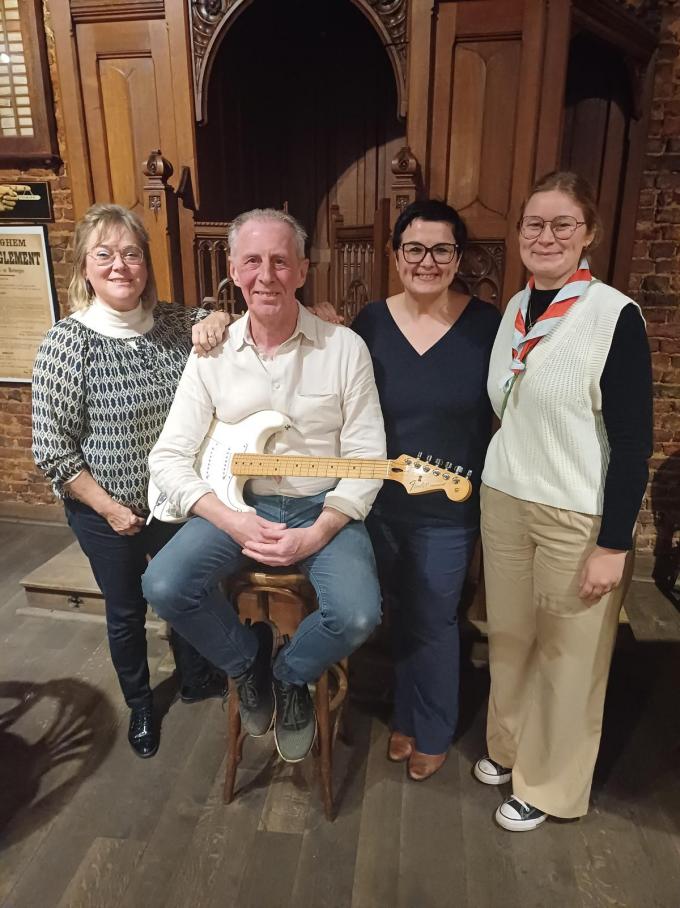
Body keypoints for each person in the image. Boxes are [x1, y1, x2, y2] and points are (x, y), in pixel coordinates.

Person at [141, 208, 385, 763]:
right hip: (239, 506)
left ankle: (290, 672)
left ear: (302, 270)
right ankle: (245, 660)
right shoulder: (210, 352)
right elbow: (170, 457)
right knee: (163, 585)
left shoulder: (345, 349)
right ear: (233, 269)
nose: (266, 275)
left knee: (358, 614)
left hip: (322, 508)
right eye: (252, 261)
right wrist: (231, 519)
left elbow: (369, 456)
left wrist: (319, 533)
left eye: (280, 261)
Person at [474, 171, 653, 831]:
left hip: (576, 513)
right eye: (535, 225)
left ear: (588, 235)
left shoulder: (612, 315)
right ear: (519, 234)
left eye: (562, 225)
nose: (546, 237)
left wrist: (613, 542)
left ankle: (549, 786)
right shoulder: (516, 310)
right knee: (513, 638)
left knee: (569, 655)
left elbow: (635, 443)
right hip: (505, 500)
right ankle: (512, 747)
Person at [32, 203, 230, 759]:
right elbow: (54, 450)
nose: (120, 265)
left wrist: (219, 319)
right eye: (105, 255)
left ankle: (196, 676)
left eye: (131, 254)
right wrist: (110, 508)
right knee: (125, 611)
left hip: (177, 499)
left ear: (145, 265)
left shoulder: (175, 324)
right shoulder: (67, 343)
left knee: (187, 591)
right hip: (104, 507)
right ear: (85, 268)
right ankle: (142, 705)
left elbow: (240, 331)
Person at [350, 200, 501, 780]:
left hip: (450, 505)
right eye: (415, 248)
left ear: (458, 256)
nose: (428, 261)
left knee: (436, 617)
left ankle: (433, 726)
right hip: (379, 503)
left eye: (442, 249)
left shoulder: (488, 325)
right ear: (395, 255)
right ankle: (406, 717)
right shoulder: (369, 323)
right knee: (398, 611)